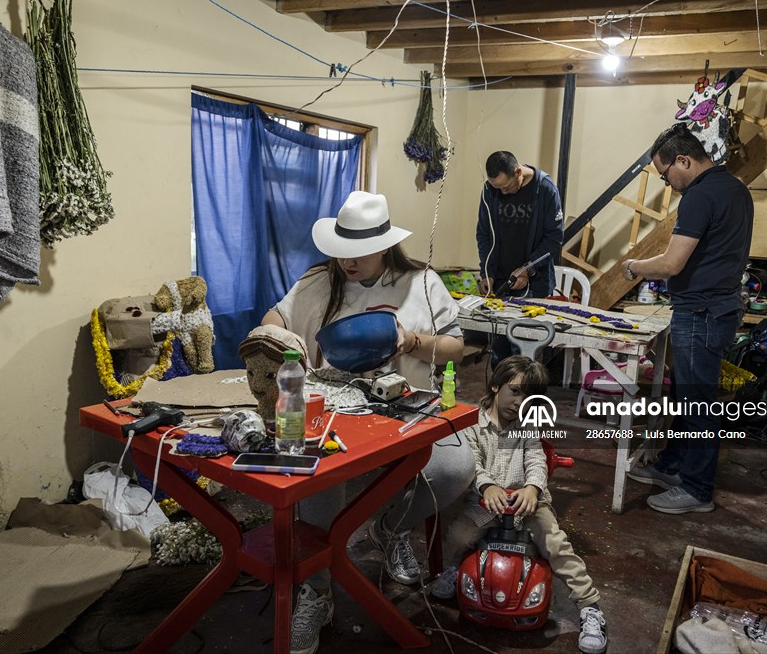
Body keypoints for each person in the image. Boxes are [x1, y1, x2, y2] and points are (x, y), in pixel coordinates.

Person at [260, 190, 474, 654]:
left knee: (456, 467)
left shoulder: (421, 282)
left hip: (406, 413)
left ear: (383, 245)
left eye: (357, 253)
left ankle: (389, 526)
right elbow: (277, 315)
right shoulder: (321, 280)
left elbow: (457, 346)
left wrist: (413, 340)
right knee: (315, 478)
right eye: (340, 250)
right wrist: (272, 334)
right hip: (335, 415)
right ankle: (317, 591)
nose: (346, 261)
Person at [427, 356, 608, 654]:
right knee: (459, 535)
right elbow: (472, 461)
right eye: (514, 392)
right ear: (496, 386)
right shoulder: (471, 423)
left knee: (555, 544)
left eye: (529, 398)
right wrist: (487, 486)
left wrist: (533, 488)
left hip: (527, 505)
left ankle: (590, 607)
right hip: (487, 503)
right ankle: (455, 567)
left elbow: (536, 459)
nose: (519, 402)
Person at [622, 123, 754, 515]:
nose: (668, 184)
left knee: (697, 404)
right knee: (686, 397)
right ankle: (675, 467)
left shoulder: (699, 196)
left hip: (700, 312)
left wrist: (633, 266)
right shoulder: (735, 189)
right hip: (717, 307)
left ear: (684, 160)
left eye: (666, 175)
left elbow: (671, 263)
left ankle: (697, 489)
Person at [476, 151, 564, 363]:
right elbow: (484, 234)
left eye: (505, 187)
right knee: (500, 353)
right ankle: (500, 395)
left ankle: (526, 397)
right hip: (500, 283)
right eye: (497, 188)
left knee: (525, 355)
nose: (503, 193)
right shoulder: (490, 190)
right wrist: (486, 272)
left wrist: (528, 268)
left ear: (518, 172)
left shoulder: (545, 189)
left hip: (535, 286)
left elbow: (554, 238)